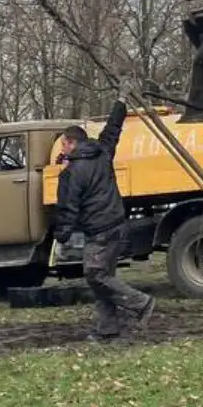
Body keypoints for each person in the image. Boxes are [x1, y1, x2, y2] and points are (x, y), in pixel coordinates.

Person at [53, 98, 155, 340]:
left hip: (100, 231)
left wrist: (62, 234)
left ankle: (141, 303)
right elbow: (112, 129)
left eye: (63, 145)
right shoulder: (102, 152)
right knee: (103, 279)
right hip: (118, 225)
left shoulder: (72, 173)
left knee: (95, 275)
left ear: (71, 143)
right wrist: (120, 102)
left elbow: (68, 207)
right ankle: (107, 329)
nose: (61, 150)